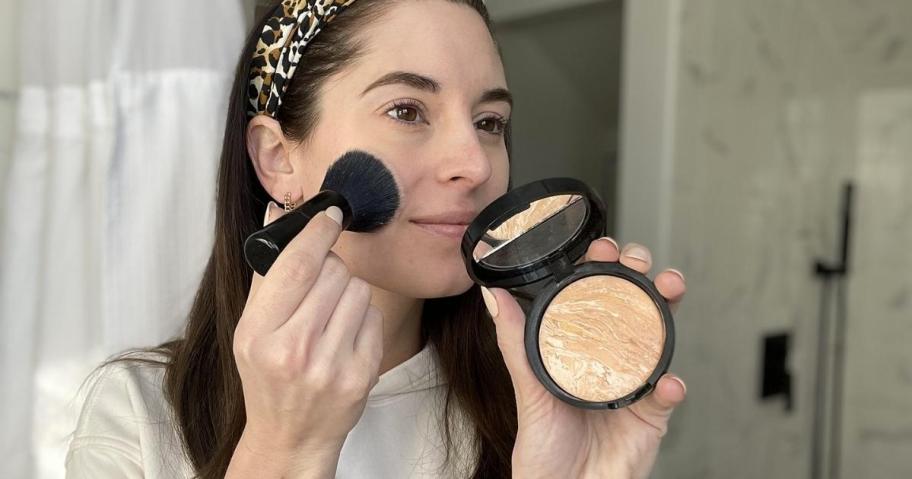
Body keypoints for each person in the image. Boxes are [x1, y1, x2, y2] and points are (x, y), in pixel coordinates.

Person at [65, 1, 688, 478]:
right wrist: (284, 449)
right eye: (407, 111)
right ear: (278, 158)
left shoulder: (536, 409)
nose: (474, 164)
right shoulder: (139, 415)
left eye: (490, 122)